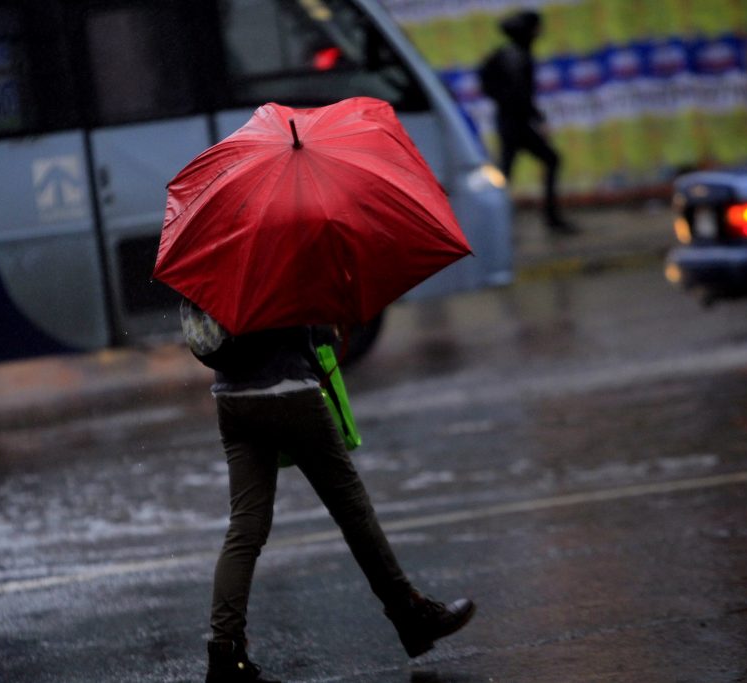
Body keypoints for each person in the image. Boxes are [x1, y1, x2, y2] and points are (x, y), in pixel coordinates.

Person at [181, 299, 475, 683]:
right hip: (288, 390)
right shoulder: (274, 244)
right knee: (351, 508)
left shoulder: (212, 251)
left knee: (245, 526)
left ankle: (225, 654)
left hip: (233, 398)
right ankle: (409, 614)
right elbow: (295, 315)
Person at [479, 9, 577, 234]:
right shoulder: (517, 56)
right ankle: (547, 220)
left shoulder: (507, 53)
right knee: (542, 163)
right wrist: (537, 119)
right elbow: (519, 93)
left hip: (510, 122)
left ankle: (499, 225)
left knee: (508, 174)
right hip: (516, 123)